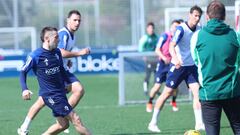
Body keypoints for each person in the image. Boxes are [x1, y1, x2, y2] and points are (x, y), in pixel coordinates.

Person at [17, 10, 90, 134]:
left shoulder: (56, 52)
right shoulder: (36, 55)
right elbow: (23, 71)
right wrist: (24, 89)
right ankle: (24, 126)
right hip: (51, 95)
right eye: (56, 38)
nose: (58, 40)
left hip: (60, 92)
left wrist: (67, 82)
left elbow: (61, 69)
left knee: (63, 125)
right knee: (76, 119)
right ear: (47, 39)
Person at [148, 5, 205, 133]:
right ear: (190, 15)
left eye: (199, 16)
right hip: (178, 66)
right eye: (195, 15)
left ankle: (199, 123)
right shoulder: (181, 29)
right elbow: (171, 46)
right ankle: (153, 123)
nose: (197, 18)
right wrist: (175, 59)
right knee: (166, 93)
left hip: (191, 67)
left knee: (197, 93)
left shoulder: (200, 29)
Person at [191, 1, 240, 135]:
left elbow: (197, 61)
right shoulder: (235, 35)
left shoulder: (197, 37)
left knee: (212, 132)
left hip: (208, 93)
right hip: (232, 91)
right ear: (224, 16)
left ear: (207, 16)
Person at [146, 19, 181, 113]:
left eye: (178, 27)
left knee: (175, 86)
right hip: (162, 64)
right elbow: (157, 50)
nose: (176, 28)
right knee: (157, 86)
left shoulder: (179, 37)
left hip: (172, 64)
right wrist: (164, 57)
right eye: (174, 26)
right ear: (171, 27)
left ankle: (173, 101)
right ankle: (149, 102)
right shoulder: (165, 36)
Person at [138, 22, 159, 94]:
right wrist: (144, 55)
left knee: (157, 75)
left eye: (152, 28)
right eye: (149, 28)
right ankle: (145, 89)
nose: (151, 30)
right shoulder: (145, 37)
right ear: (147, 29)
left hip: (156, 59)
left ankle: (156, 89)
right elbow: (140, 48)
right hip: (148, 59)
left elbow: (159, 47)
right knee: (148, 75)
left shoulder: (156, 37)